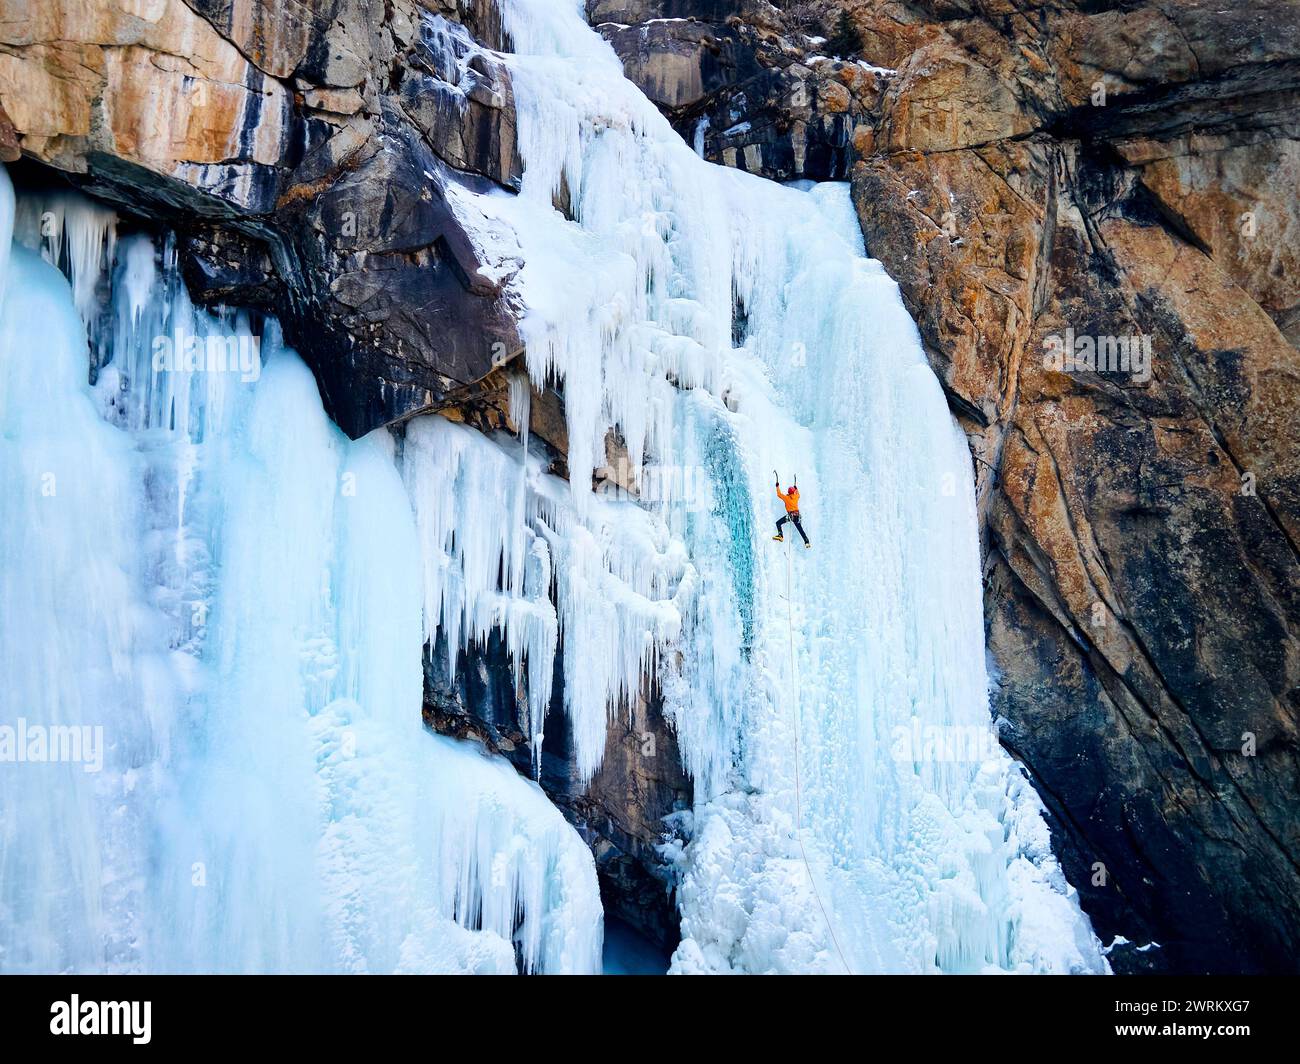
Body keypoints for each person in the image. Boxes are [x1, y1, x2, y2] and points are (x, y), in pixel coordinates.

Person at [772, 473, 810, 548]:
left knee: (778, 523)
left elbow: (779, 494)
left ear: (789, 492)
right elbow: (798, 494)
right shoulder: (796, 496)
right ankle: (807, 542)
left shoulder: (786, 498)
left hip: (791, 516)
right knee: (800, 530)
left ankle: (780, 535)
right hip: (797, 516)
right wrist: (796, 488)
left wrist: (777, 486)